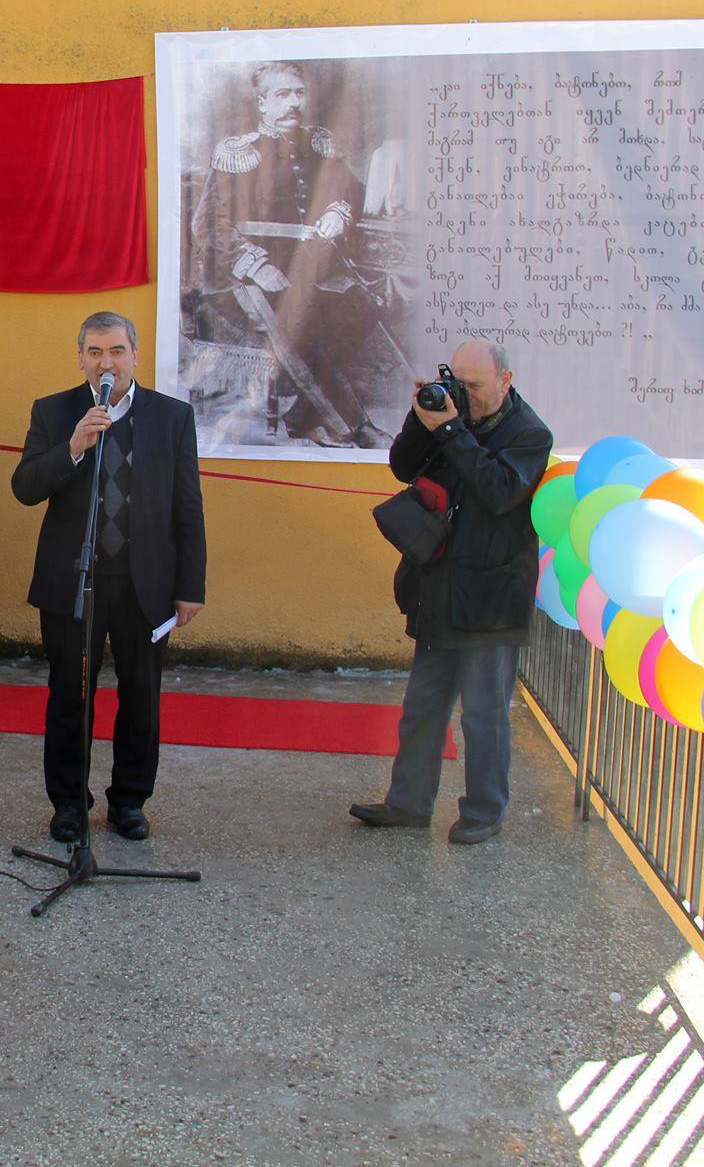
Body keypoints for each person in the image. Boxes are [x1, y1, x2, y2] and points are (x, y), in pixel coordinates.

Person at [11, 312, 206, 844]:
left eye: (117, 351)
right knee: (70, 696)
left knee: (142, 697)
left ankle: (130, 801)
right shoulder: (53, 411)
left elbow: (188, 506)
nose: (106, 362)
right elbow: (25, 487)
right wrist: (73, 447)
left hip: (146, 585)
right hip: (74, 582)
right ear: (80, 359)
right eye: (95, 352)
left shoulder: (172, 417)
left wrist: (190, 586)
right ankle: (69, 803)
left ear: (135, 356)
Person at [351, 341, 553, 845]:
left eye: (475, 385)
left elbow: (499, 491)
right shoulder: (449, 415)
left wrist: (450, 430)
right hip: (439, 585)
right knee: (423, 704)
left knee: (484, 713)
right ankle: (408, 804)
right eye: (458, 383)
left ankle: (484, 811)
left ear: (505, 380)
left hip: (492, 596)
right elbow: (403, 467)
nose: (466, 394)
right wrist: (421, 420)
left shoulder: (530, 434)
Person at [184, 60, 389, 449]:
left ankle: (301, 415)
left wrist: (337, 212)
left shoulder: (319, 145)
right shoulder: (238, 153)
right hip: (245, 278)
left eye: (299, 93)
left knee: (363, 306)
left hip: (311, 273)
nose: (294, 102)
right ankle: (349, 424)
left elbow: (351, 192)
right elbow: (208, 224)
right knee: (304, 317)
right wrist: (256, 266)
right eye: (282, 94)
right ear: (262, 103)